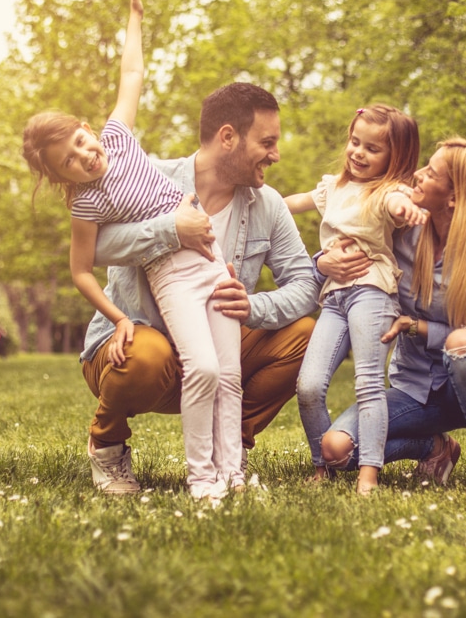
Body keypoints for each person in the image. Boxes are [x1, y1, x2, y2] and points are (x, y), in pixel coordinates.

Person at [22, 0, 247, 502]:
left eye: (80, 141)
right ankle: (201, 480)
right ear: (63, 178)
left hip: (209, 261)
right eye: (69, 163)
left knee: (229, 375)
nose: (84, 156)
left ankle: (232, 472)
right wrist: (121, 318)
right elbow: (81, 269)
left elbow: (131, 72)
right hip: (169, 270)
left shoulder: (119, 135)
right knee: (205, 368)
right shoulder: (87, 203)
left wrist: (136, 16)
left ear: (87, 127)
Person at [69, 80, 320, 497]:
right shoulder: (148, 180)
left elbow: (305, 286)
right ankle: (107, 443)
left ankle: (229, 451)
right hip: (139, 349)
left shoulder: (268, 204)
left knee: (306, 336)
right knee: (148, 355)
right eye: (267, 142)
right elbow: (93, 250)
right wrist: (170, 229)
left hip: (217, 356)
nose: (275, 155)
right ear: (228, 137)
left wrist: (253, 306)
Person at [317, 137, 466, 504]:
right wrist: (322, 262)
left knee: (462, 343)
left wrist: (417, 327)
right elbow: (347, 234)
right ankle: (434, 447)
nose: (418, 175)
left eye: (431, 172)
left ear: (453, 197)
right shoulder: (402, 234)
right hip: (412, 389)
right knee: (336, 450)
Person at [283, 105, 426, 494]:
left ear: (394, 157)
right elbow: (292, 203)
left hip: (372, 294)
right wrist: (258, 198)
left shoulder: (388, 191)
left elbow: (397, 204)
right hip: (333, 298)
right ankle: (321, 466)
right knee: (309, 385)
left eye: (372, 148)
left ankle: (368, 474)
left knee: (368, 384)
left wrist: (407, 207)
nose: (358, 153)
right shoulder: (333, 186)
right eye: (355, 141)